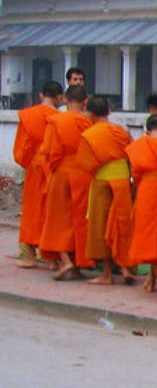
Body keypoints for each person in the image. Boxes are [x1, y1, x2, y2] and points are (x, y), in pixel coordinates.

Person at [76, 96, 136, 285]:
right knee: (121, 223)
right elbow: (133, 153)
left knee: (101, 226)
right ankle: (125, 267)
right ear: (109, 112)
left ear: (90, 113)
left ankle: (107, 274)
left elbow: (85, 164)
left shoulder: (90, 134)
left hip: (102, 181)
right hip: (122, 180)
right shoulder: (122, 132)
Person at [37, 85, 92, 280]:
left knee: (57, 218)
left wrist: (51, 171)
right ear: (85, 102)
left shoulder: (56, 121)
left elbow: (51, 153)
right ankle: (77, 265)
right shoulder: (88, 123)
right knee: (78, 218)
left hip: (61, 172)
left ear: (66, 101)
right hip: (83, 174)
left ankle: (66, 261)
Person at [13, 80, 63, 268]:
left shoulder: (29, 116)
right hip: (52, 168)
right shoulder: (59, 118)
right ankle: (53, 258)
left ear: (42, 95)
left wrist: (28, 163)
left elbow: (23, 148)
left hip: (35, 168)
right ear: (59, 98)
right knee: (51, 212)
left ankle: (30, 256)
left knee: (32, 211)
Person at [126, 113, 157, 298]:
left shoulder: (138, 146)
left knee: (151, 239)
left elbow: (135, 174)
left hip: (146, 191)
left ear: (146, 130)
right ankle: (152, 281)